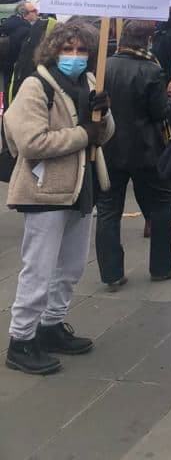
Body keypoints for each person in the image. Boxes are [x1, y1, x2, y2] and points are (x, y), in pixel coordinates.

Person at [3, 20, 114, 375]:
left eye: (82, 50)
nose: (75, 56)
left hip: (82, 187)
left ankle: (51, 325)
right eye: (68, 49)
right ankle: (21, 340)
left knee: (71, 266)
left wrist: (105, 113)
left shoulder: (90, 81)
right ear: (53, 50)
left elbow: (104, 135)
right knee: (39, 268)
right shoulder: (36, 87)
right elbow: (31, 143)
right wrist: (83, 133)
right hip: (45, 190)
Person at [96, 21, 171, 290]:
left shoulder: (106, 67)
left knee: (108, 209)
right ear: (147, 41)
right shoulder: (152, 69)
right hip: (146, 149)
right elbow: (160, 113)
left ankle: (111, 273)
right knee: (162, 203)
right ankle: (162, 265)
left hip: (110, 146)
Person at [2, 0, 40, 91]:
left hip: (5, 65)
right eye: (34, 11)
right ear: (25, 14)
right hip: (15, 68)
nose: (37, 13)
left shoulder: (9, 23)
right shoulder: (25, 30)